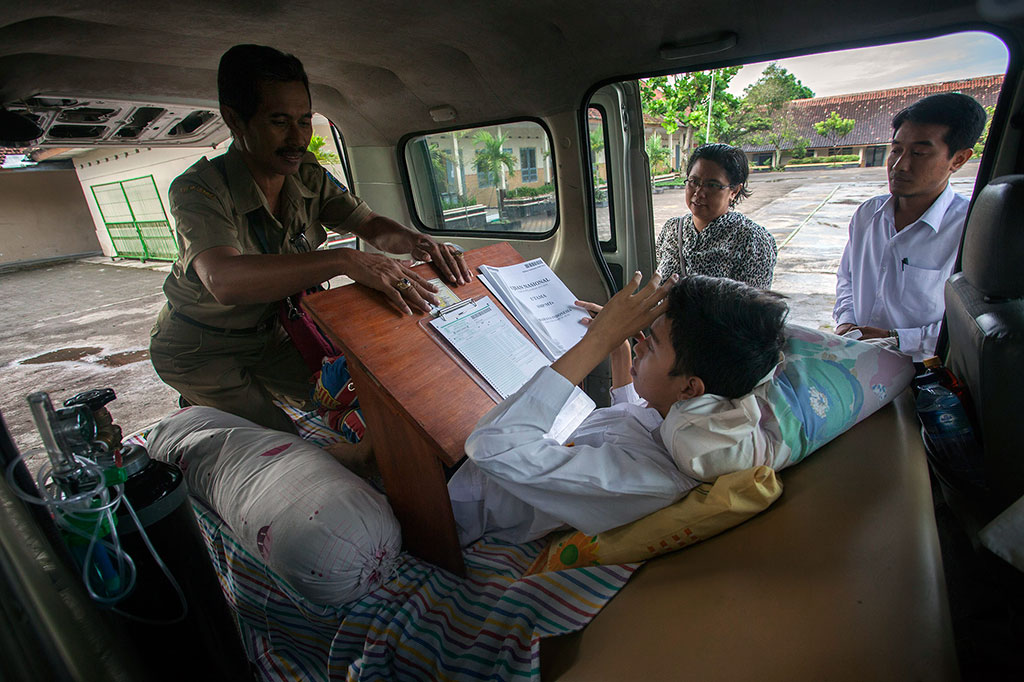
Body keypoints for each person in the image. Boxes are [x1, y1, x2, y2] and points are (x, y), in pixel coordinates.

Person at [149, 44, 472, 435]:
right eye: (279, 121)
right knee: (282, 440)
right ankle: (201, 405)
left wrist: (417, 243)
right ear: (235, 120)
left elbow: (369, 225)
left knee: (353, 401)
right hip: (201, 347)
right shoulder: (199, 190)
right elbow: (225, 280)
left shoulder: (308, 175)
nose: (298, 139)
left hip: (275, 333)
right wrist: (344, 261)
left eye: (305, 121)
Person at [448, 274, 789, 546]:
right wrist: (620, 351)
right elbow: (630, 422)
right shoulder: (679, 420)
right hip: (495, 456)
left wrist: (597, 342)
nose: (640, 345)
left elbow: (492, 447)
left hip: (463, 504)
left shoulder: (650, 480)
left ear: (689, 388)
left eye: (650, 346)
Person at [833, 93, 987, 361]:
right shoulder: (868, 215)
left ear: (959, 159)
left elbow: (973, 324)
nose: (899, 165)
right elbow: (847, 278)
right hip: (858, 357)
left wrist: (898, 339)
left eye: (919, 153)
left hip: (924, 367)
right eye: (896, 150)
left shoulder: (970, 229)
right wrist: (846, 321)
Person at [655, 143, 777, 289]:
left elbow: (753, 308)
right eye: (694, 182)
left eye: (712, 185)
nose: (699, 193)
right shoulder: (672, 229)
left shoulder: (752, 239)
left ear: (734, 191)